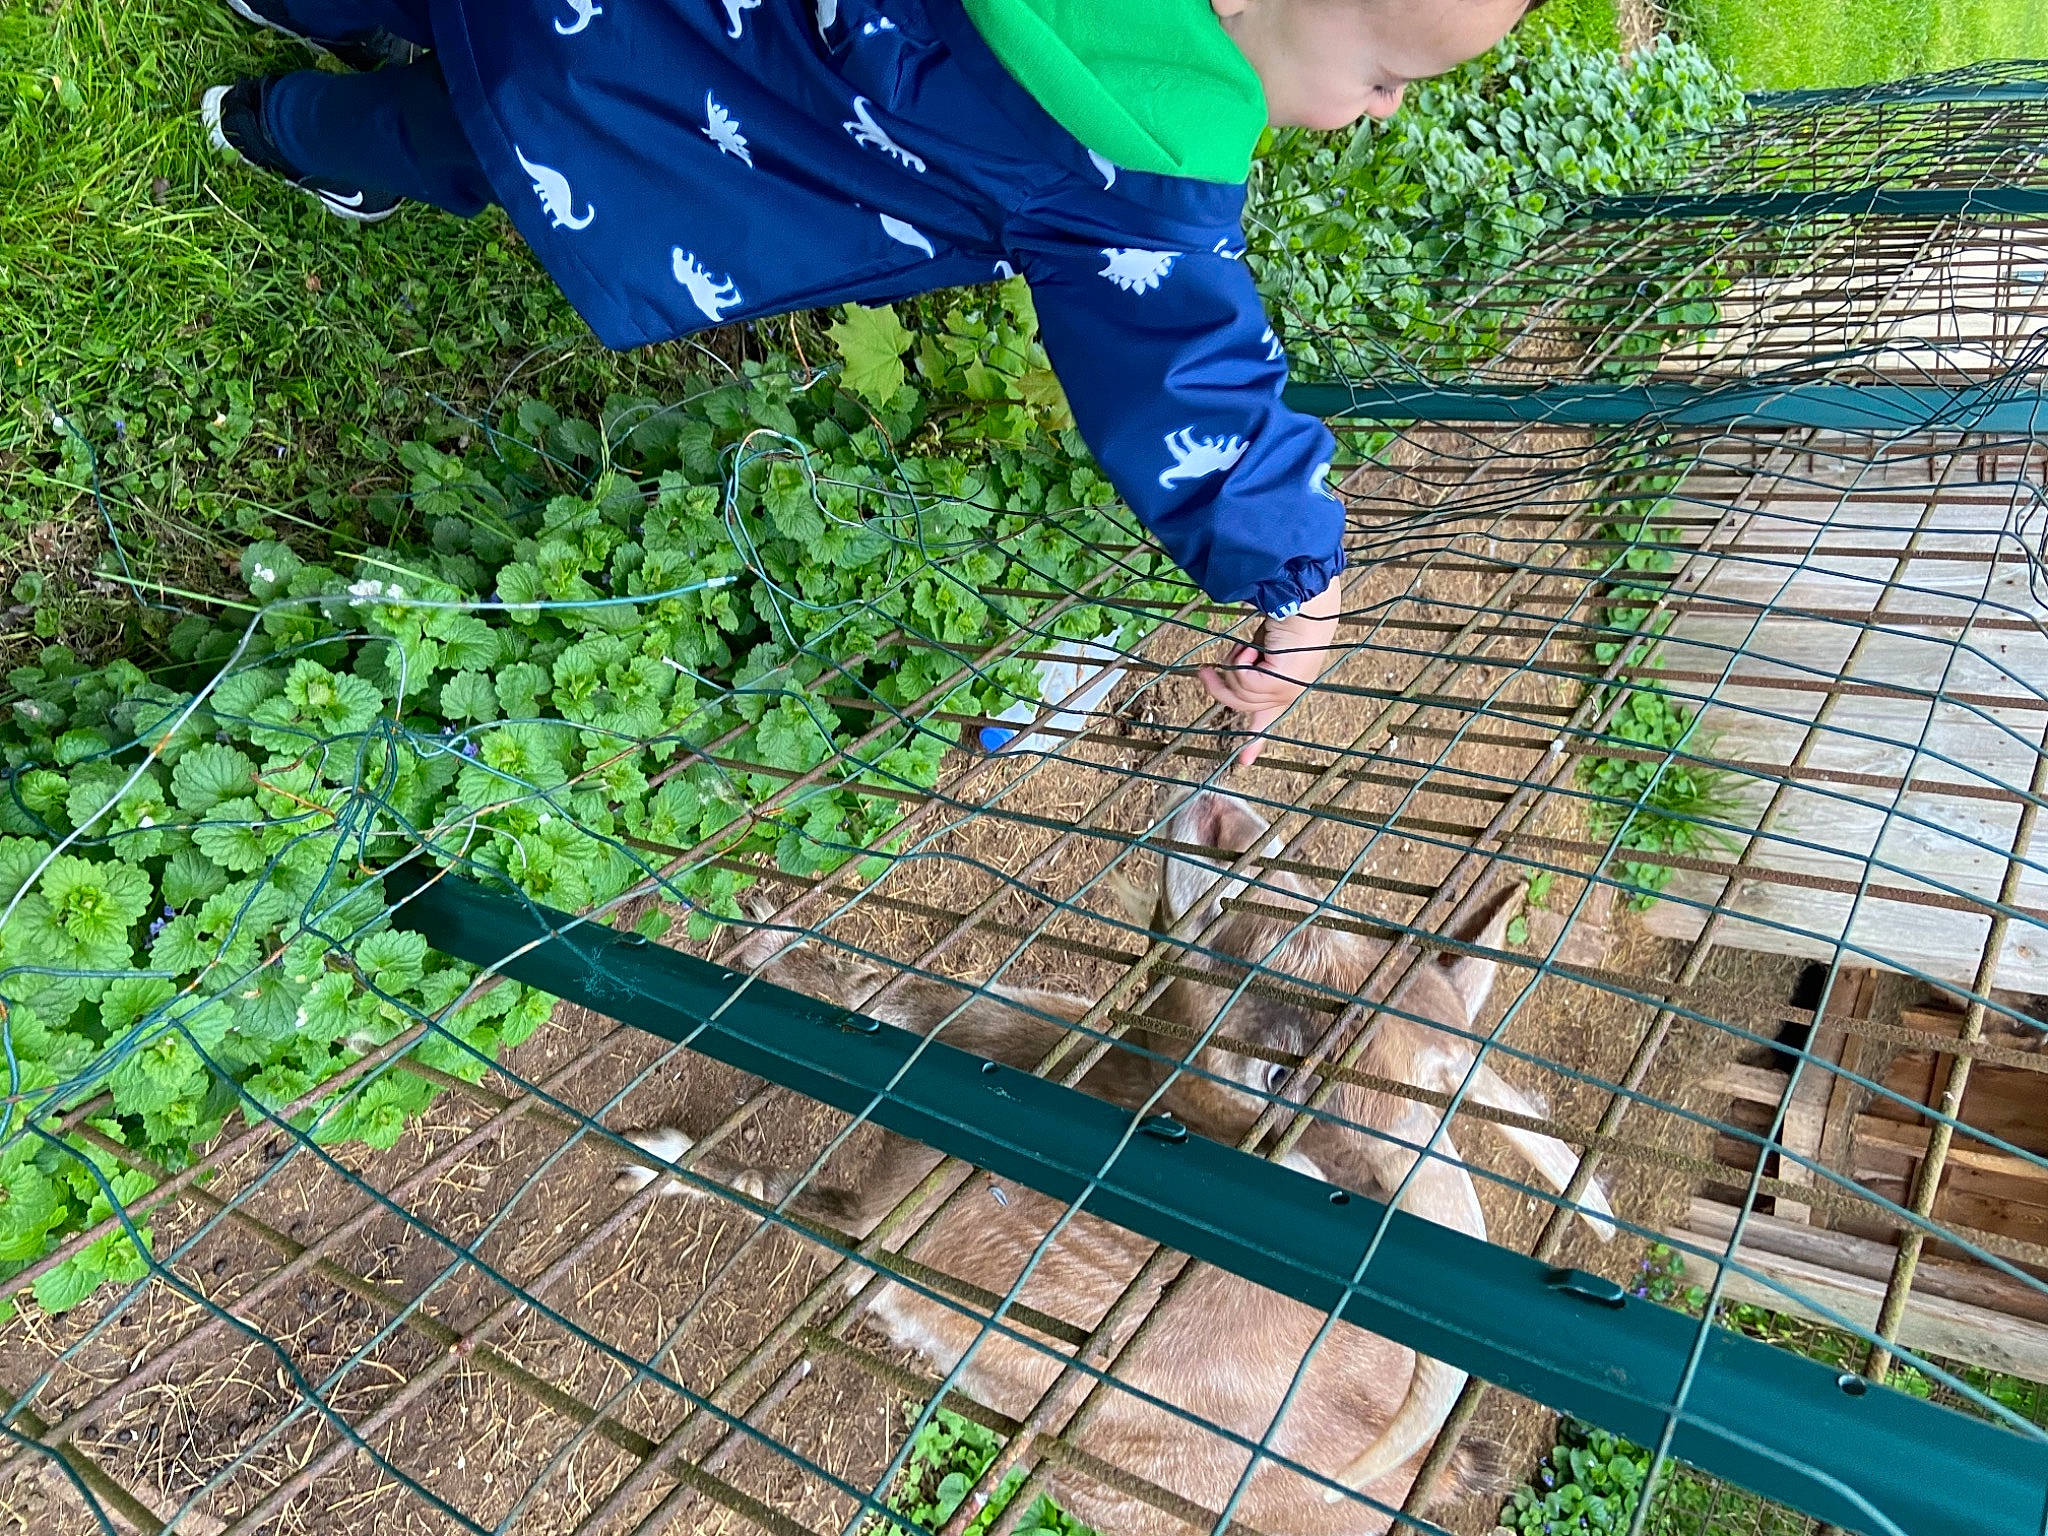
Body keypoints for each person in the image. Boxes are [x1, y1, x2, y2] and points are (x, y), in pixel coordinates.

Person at [203, 0, 1534, 764]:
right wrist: (1299, 579)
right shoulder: (1139, 173)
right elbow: (1191, 381)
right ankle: (286, 127)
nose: (1385, 108)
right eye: (1383, 75)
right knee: (489, 131)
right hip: (651, 120)